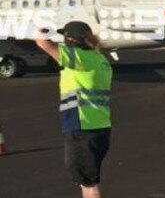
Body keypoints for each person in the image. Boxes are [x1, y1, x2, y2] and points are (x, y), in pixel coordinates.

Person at [35, 21, 113, 198]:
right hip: (100, 126)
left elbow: (42, 42)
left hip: (82, 125)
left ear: (70, 39)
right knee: (87, 180)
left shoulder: (79, 58)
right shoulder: (100, 59)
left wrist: (44, 29)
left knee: (89, 183)